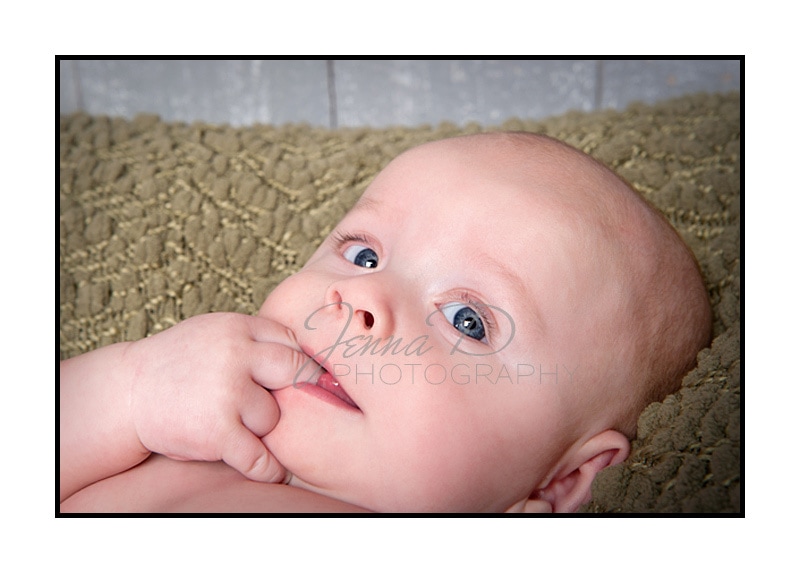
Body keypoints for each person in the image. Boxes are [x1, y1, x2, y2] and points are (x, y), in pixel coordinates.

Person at [59, 132, 712, 513]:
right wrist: (131, 389)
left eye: (467, 320)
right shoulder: (172, 424)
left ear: (564, 480)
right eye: (363, 255)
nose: (365, 295)